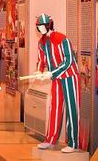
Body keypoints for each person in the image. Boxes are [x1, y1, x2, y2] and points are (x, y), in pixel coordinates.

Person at [35, 14, 80, 153]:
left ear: (48, 25)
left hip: (70, 76)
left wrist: (52, 72)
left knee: (72, 109)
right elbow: (41, 60)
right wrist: (39, 72)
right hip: (56, 78)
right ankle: (50, 139)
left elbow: (68, 60)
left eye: (41, 26)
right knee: (54, 107)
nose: (39, 28)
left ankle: (73, 143)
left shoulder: (62, 38)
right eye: (38, 26)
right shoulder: (41, 42)